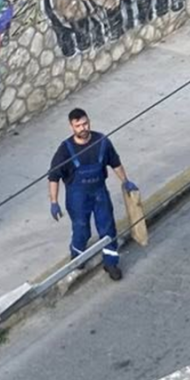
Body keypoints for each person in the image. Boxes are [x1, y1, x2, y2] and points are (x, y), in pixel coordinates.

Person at [47, 108, 138, 281]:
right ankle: (78, 257)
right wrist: (54, 201)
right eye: (78, 125)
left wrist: (125, 181)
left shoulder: (102, 141)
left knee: (107, 227)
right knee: (81, 229)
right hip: (77, 197)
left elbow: (115, 163)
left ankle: (111, 262)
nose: (83, 128)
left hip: (99, 193)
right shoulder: (65, 150)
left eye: (85, 123)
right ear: (71, 127)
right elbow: (53, 177)